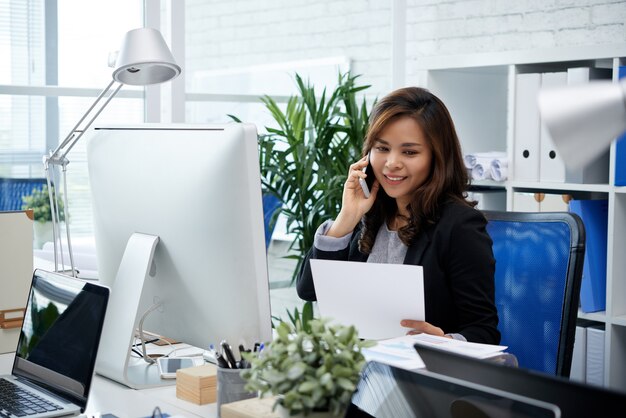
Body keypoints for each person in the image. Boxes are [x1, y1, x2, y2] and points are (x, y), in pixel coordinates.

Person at [296, 86, 500, 344]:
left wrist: (443, 341)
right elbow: (309, 290)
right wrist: (346, 218)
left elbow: (484, 332)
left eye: (409, 152)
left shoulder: (459, 226)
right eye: (382, 148)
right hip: (360, 367)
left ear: (437, 158)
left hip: (420, 373)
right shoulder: (368, 214)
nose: (392, 163)